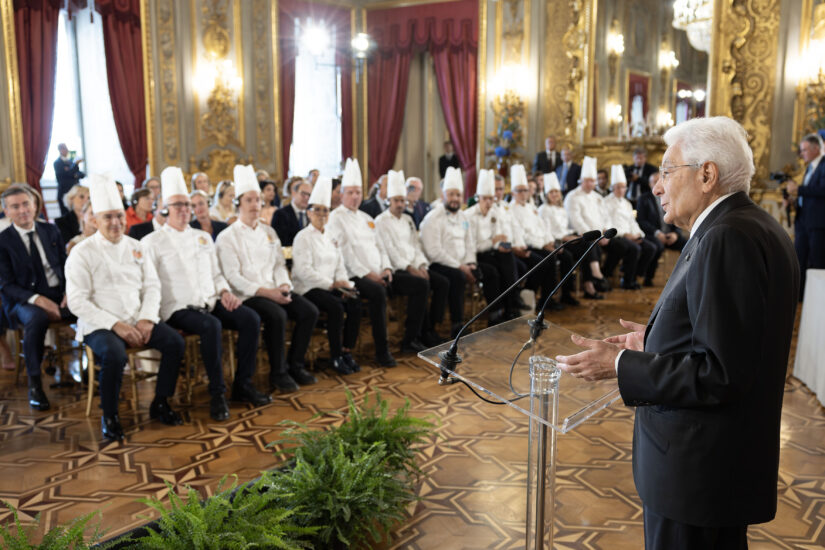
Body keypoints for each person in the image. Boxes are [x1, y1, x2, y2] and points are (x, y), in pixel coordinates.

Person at [555, 116, 799, 550]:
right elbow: (735, 342)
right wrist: (654, 344)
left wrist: (621, 364)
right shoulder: (756, 226)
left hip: (697, 473)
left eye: (667, 171)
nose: (656, 185)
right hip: (717, 468)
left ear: (707, 175)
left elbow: (721, 373)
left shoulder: (725, 237)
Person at [143, 167, 270, 421]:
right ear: (165, 208)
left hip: (210, 301)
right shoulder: (152, 242)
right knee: (211, 327)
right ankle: (217, 394)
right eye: (177, 205)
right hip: (178, 308)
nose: (183, 209)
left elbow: (216, 274)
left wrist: (224, 291)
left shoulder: (202, 237)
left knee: (250, 319)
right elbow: (151, 283)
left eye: (187, 204)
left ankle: (242, 384)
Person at [65, 174, 184, 440]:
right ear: (95, 220)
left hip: (137, 318)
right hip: (101, 324)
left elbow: (152, 287)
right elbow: (77, 301)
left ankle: (161, 402)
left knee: (175, 343)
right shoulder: (81, 253)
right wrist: (115, 325)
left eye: (119, 215)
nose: (116, 223)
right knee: (115, 355)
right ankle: (110, 415)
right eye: (108, 217)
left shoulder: (137, 247)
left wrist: (146, 319)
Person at [216, 165, 318, 393]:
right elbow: (233, 277)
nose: (255, 205)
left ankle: (295, 365)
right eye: (249, 200)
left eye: (258, 200)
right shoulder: (227, 236)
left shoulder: (269, 232)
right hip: (249, 294)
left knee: (308, 311)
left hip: (275, 289)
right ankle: (278, 373)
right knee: (277, 315)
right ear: (239, 204)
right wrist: (268, 292)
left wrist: (284, 284)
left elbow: (279, 265)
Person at [0, 184, 72, 411]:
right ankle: (35, 384)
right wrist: (38, 300)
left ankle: (98, 371)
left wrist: (71, 291)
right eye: (15, 206)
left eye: (26, 204)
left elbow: (66, 266)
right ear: (6, 211)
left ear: (34, 205)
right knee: (37, 318)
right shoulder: (3, 241)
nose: (22, 210)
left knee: (91, 306)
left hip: (58, 293)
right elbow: (5, 284)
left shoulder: (51, 231)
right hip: (23, 300)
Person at [327, 159, 397, 367]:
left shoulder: (367, 218)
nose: (355, 196)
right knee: (377, 293)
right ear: (341, 195)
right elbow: (344, 254)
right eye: (350, 192)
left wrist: (386, 268)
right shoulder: (335, 218)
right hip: (353, 274)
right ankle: (381, 350)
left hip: (376, 273)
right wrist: (369, 275)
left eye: (358, 192)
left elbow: (381, 246)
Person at [292, 177, 361, 375]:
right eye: (317, 210)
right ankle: (335, 356)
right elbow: (304, 271)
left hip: (332, 286)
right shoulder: (302, 237)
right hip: (309, 288)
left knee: (355, 300)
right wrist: (332, 284)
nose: (322, 214)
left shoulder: (331, 237)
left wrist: (345, 284)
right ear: (308, 212)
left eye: (325, 210)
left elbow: (339, 265)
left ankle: (347, 351)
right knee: (336, 308)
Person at [375, 170, 447, 350]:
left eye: (402, 200)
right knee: (421, 286)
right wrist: (409, 268)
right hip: (395, 271)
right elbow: (389, 251)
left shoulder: (408, 219)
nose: (400, 204)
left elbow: (416, 246)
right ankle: (410, 338)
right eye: (396, 201)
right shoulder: (381, 221)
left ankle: (430, 330)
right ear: (388, 201)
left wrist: (421, 265)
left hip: (413, 266)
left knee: (442, 282)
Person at [509, 165, 578, 308]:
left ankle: (553, 297)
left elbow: (543, 227)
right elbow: (523, 235)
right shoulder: (511, 210)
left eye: (525, 190)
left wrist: (550, 243)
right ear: (513, 192)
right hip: (528, 245)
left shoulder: (530, 207)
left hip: (541, 243)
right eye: (519, 191)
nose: (523, 193)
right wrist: (544, 245)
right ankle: (537, 296)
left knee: (564, 256)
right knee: (547, 260)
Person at [420, 167, 477, 337]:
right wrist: (460, 267)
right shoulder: (433, 218)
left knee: (480, 272)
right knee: (456, 277)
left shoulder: (463, 217)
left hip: (459, 264)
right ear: (443, 195)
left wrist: (470, 263)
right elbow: (434, 251)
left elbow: (470, 243)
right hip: (438, 264)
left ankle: (491, 317)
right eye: (451, 195)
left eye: (458, 195)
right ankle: (456, 323)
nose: (455, 199)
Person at [566, 156, 635, 292]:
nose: (591, 184)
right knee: (591, 246)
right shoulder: (572, 196)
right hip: (582, 236)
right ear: (581, 180)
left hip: (600, 235)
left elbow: (605, 217)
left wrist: (605, 233)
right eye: (588, 180)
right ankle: (595, 279)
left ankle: (605, 274)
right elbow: (576, 220)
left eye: (593, 181)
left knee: (620, 246)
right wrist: (594, 236)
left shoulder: (597, 197)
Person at [538, 172, 605, 299]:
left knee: (588, 246)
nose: (554, 195)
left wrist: (572, 235)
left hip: (565, 238)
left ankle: (588, 284)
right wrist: (566, 238)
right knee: (568, 257)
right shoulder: (543, 209)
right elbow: (547, 231)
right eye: (551, 192)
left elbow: (564, 228)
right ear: (546, 194)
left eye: (556, 192)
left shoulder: (561, 209)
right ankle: (569, 293)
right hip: (555, 241)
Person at [603, 165, 657, 288]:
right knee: (634, 249)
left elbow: (632, 222)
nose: (621, 190)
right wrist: (625, 234)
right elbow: (606, 222)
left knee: (651, 248)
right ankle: (627, 281)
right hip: (616, 235)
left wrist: (638, 234)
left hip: (630, 235)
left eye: (623, 187)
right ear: (612, 188)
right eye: (618, 187)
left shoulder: (627, 203)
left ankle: (635, 275)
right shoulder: (606, 201)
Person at [786, 133, 825, 298]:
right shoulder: (810, 167)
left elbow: (822, 190)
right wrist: (794, 199)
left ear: (816, 149)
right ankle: (799, 297)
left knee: (817, 262)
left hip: (817, 223)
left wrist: (798, 190)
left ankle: (816, 299)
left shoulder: (823, 165)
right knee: (799, 260)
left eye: (804, 150)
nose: (802, 154)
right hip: (803, 221)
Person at [271, 178, 311, 246]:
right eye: (303, 194)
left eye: (309, 195)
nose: (306, 197)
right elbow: (279, 241)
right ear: (294, 193)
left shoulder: (311, 214)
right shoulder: (280, 214)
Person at [53, 143, 85, 216]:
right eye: (64, 148)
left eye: (67, 148)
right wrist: (75, 165)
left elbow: (81, 174)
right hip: (65, 192)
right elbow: (68, 174)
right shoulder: (57, 163)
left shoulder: (70, 162)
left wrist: (75, 173)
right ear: (60, 150)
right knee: (66, 216)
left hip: (75, 192)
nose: (67, 150)